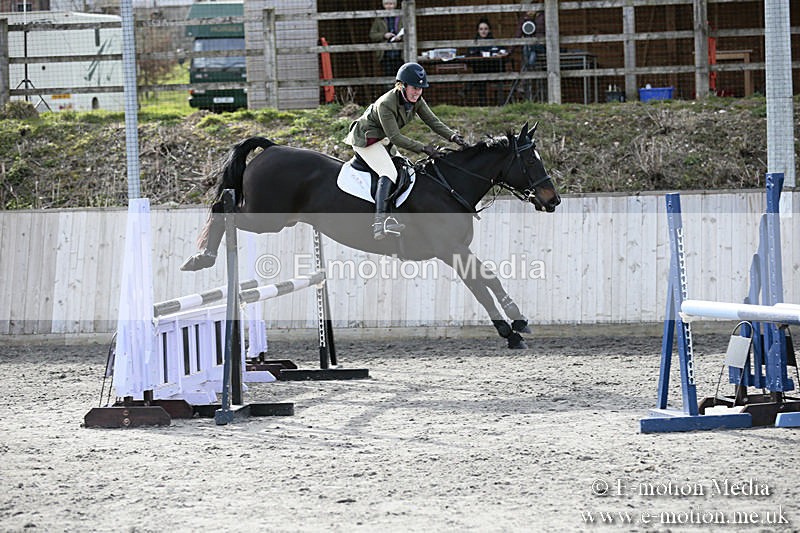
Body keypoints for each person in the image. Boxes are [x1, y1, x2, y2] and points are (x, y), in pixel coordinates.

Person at [344, 62, 468, 240]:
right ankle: (380, 222)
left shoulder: (416, 100)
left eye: (421, 88)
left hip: (382, 138)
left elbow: (433, 121)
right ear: (401, 85)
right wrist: (424, 148)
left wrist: (453, 137)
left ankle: (397, 214)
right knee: (388, 172)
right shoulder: (386, 104)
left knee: (406, 170)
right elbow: (396, 138)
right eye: (414, 87)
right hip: (366, 139)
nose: (418, 92)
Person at [466, 18, 503, 106]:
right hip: (479, 68)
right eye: (481, 29)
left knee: (478, 77)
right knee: (479, 76)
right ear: (478, 30)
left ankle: (467, 87)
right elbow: (468, 55)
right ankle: (483, 104)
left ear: (489, 30)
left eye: (485, 29)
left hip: (493, 69)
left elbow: (502, 50)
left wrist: (499, 53)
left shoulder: (494, 42)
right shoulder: (474, 43)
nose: (483, 31)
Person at [370, 0, 404, 78]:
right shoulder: (379, 19)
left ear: (395, 5)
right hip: (385, 54)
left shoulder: (401, 17)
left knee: (401, 77)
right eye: (386, 4)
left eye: (391, 4)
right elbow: (372, 35)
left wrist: (400, 36)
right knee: (387, 77)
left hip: (400, 53)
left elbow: (409, 31)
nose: (389, 6)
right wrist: (384, 35)